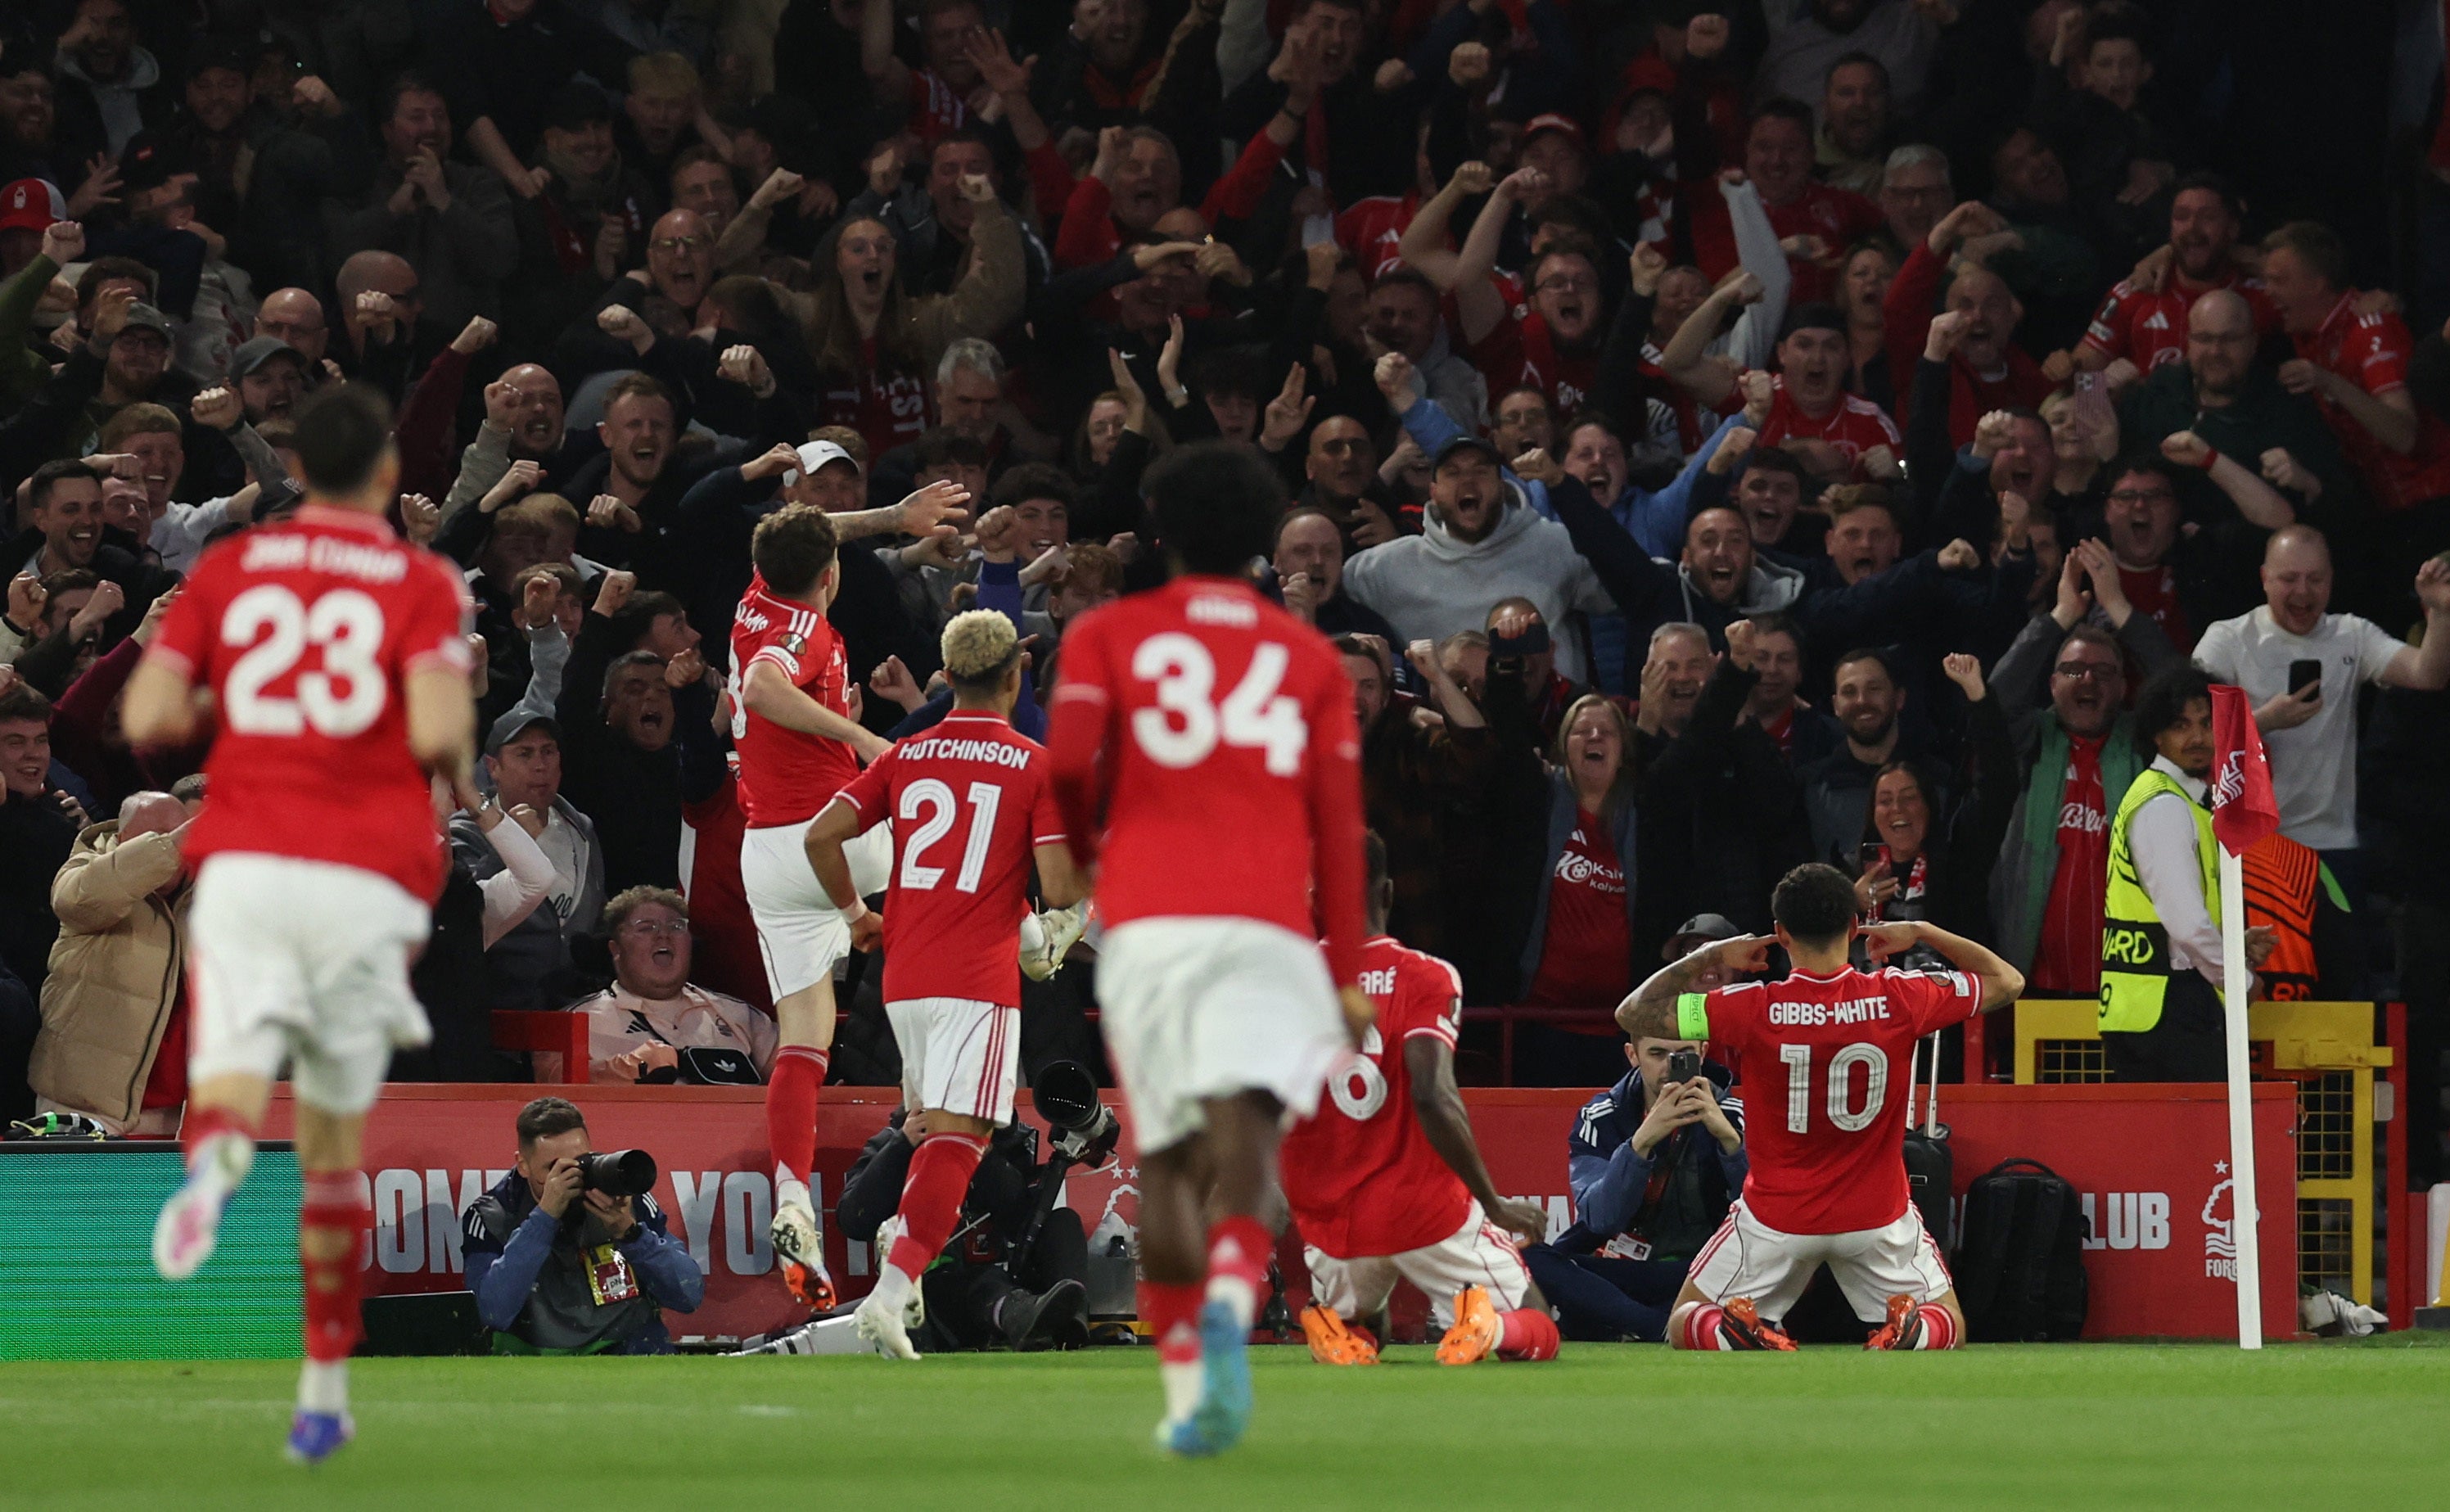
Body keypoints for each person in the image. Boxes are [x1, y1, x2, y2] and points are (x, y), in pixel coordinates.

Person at [124, 381, 476, 1462]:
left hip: (244, 851)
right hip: (361, 868)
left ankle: (217, 1155)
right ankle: (323, 1387)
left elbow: (144, 719)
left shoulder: (229, 567)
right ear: (382, 477)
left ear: (295, 469)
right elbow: (433, 731)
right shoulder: (420, 580)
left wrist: (225, 708)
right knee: (331, 1142)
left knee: (228, 1062)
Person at [1045, 440, 1369, 1456]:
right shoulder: (1309, 656)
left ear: (1161, 528)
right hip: (1267, 928)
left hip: (1148, 925)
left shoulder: (1108, 633)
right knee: (1251, 1155)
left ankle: (1187, 1386)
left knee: (1170, 1165)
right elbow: (1339, 831)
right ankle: (1236, 1291)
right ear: (1266, 538)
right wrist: (1349, 973)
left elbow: (1062, 764)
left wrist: (1097, 853)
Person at [805, 610, 1089, 1359]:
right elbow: (1061, 882)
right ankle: (891, 1293)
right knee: (962, 1138)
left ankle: (906, 1238)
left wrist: (855, 914)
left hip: (905, 978)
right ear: (1013, 675)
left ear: (947, 674)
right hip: (977, 977)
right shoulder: (1033, 762)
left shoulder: (907, 752)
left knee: (942, 1131)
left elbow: (819, 836)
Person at [1618, 863, 2024, 1351]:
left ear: (1781, 934)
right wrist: (1920, 930)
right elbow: (2007, 980)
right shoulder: (1901, 996)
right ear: (1855, 928)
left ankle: (1729, 1331)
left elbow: (1633, 1012)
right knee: (1950, 1324)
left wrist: (1711, 954)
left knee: (1684, 1321)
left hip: (1776, 1218)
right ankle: (1916, 1332)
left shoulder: (1751, 1007)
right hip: (1876, 1217)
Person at [1281, 832, 1558, 1367]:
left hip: (1333, 1221)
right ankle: (1485, 1324)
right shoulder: (1424, 976)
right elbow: (1432, 1095)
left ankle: (1339, 1326)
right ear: (1385, 893)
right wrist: (1494, 1202)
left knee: (1366, 1324)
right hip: (1421, 1207)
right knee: (1537, 1320)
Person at [731, 501, 898, 1315]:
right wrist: (860, 739)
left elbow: (807, 530)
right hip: (836, 828)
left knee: (805, 1037)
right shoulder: (802, 631)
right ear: (830, 576)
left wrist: (898, 514)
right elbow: (764, 685)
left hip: (767, 851)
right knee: (961, 818)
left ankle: (792, 1197)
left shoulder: (754, 592)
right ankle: (1037, 928)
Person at [1527, 923, 1748, 1342]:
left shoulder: (1734, 1114)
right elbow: (1600, 1216)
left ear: (1702, 1052)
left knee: (1748, 1277)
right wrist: (1641, 1142)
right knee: (1530, 1258)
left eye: (1683, 1054)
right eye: (1657, 1054)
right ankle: (1660, 1327)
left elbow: (1760, 1221)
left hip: (1701, 1269)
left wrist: (1730, 1144)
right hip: (1626, 1265)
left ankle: (1624, 1320)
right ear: (1633, 1056)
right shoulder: (1602, 1115)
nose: (1669, 1066)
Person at [2191, 531, 2450, 869]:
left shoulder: (2351, 635)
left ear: (2331, 581)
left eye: (2315, 579)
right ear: (2265, 579)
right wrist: (2267, 720)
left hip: (2333, 843)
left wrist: (2442, 612)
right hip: (2251, 846)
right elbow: (2189, 734)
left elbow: (2427, 675)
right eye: (2289, 579)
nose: (2303, 591)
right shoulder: (2227, 639)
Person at [2096, 666, 2267, 1081]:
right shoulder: (2165, 807)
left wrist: (2233, 946)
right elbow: (2187, 923)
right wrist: (2239, 979)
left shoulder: (2171, 799)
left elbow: (2172, 922)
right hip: (2169, 1011)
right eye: (2181, 726)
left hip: (2146, 1005)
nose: (2197, 738)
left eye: (2208, 723)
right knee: (2203, 1145)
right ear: (2157, 735)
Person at [460, 1095, 706, 1354]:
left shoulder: (626, 1195)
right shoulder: (492, 1215)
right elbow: (490, 1313)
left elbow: (688, 1296)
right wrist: (543, 1219)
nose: (572, 1178)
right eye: (554, 1168)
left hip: (629, 1350)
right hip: (538, 1365)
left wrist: (630, 1233)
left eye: (580, 1161)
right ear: (523, 1165)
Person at [26, 790, 190, 1136]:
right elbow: (82, 899)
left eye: (180, 835)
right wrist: (167, 848)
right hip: (88, 1104)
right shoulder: (84, 869)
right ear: (120, 839)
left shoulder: (207, 892)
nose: (173, 850)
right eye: (157, 839)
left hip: (180, 1110)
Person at [569, 887, 776, 1085]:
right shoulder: (580, 1020)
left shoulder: (740, 1015)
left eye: (676, 926)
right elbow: (559, 1094)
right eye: (646, 927)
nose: (663, 935)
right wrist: (631, 1069)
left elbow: (795, 1074)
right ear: (616, 950)